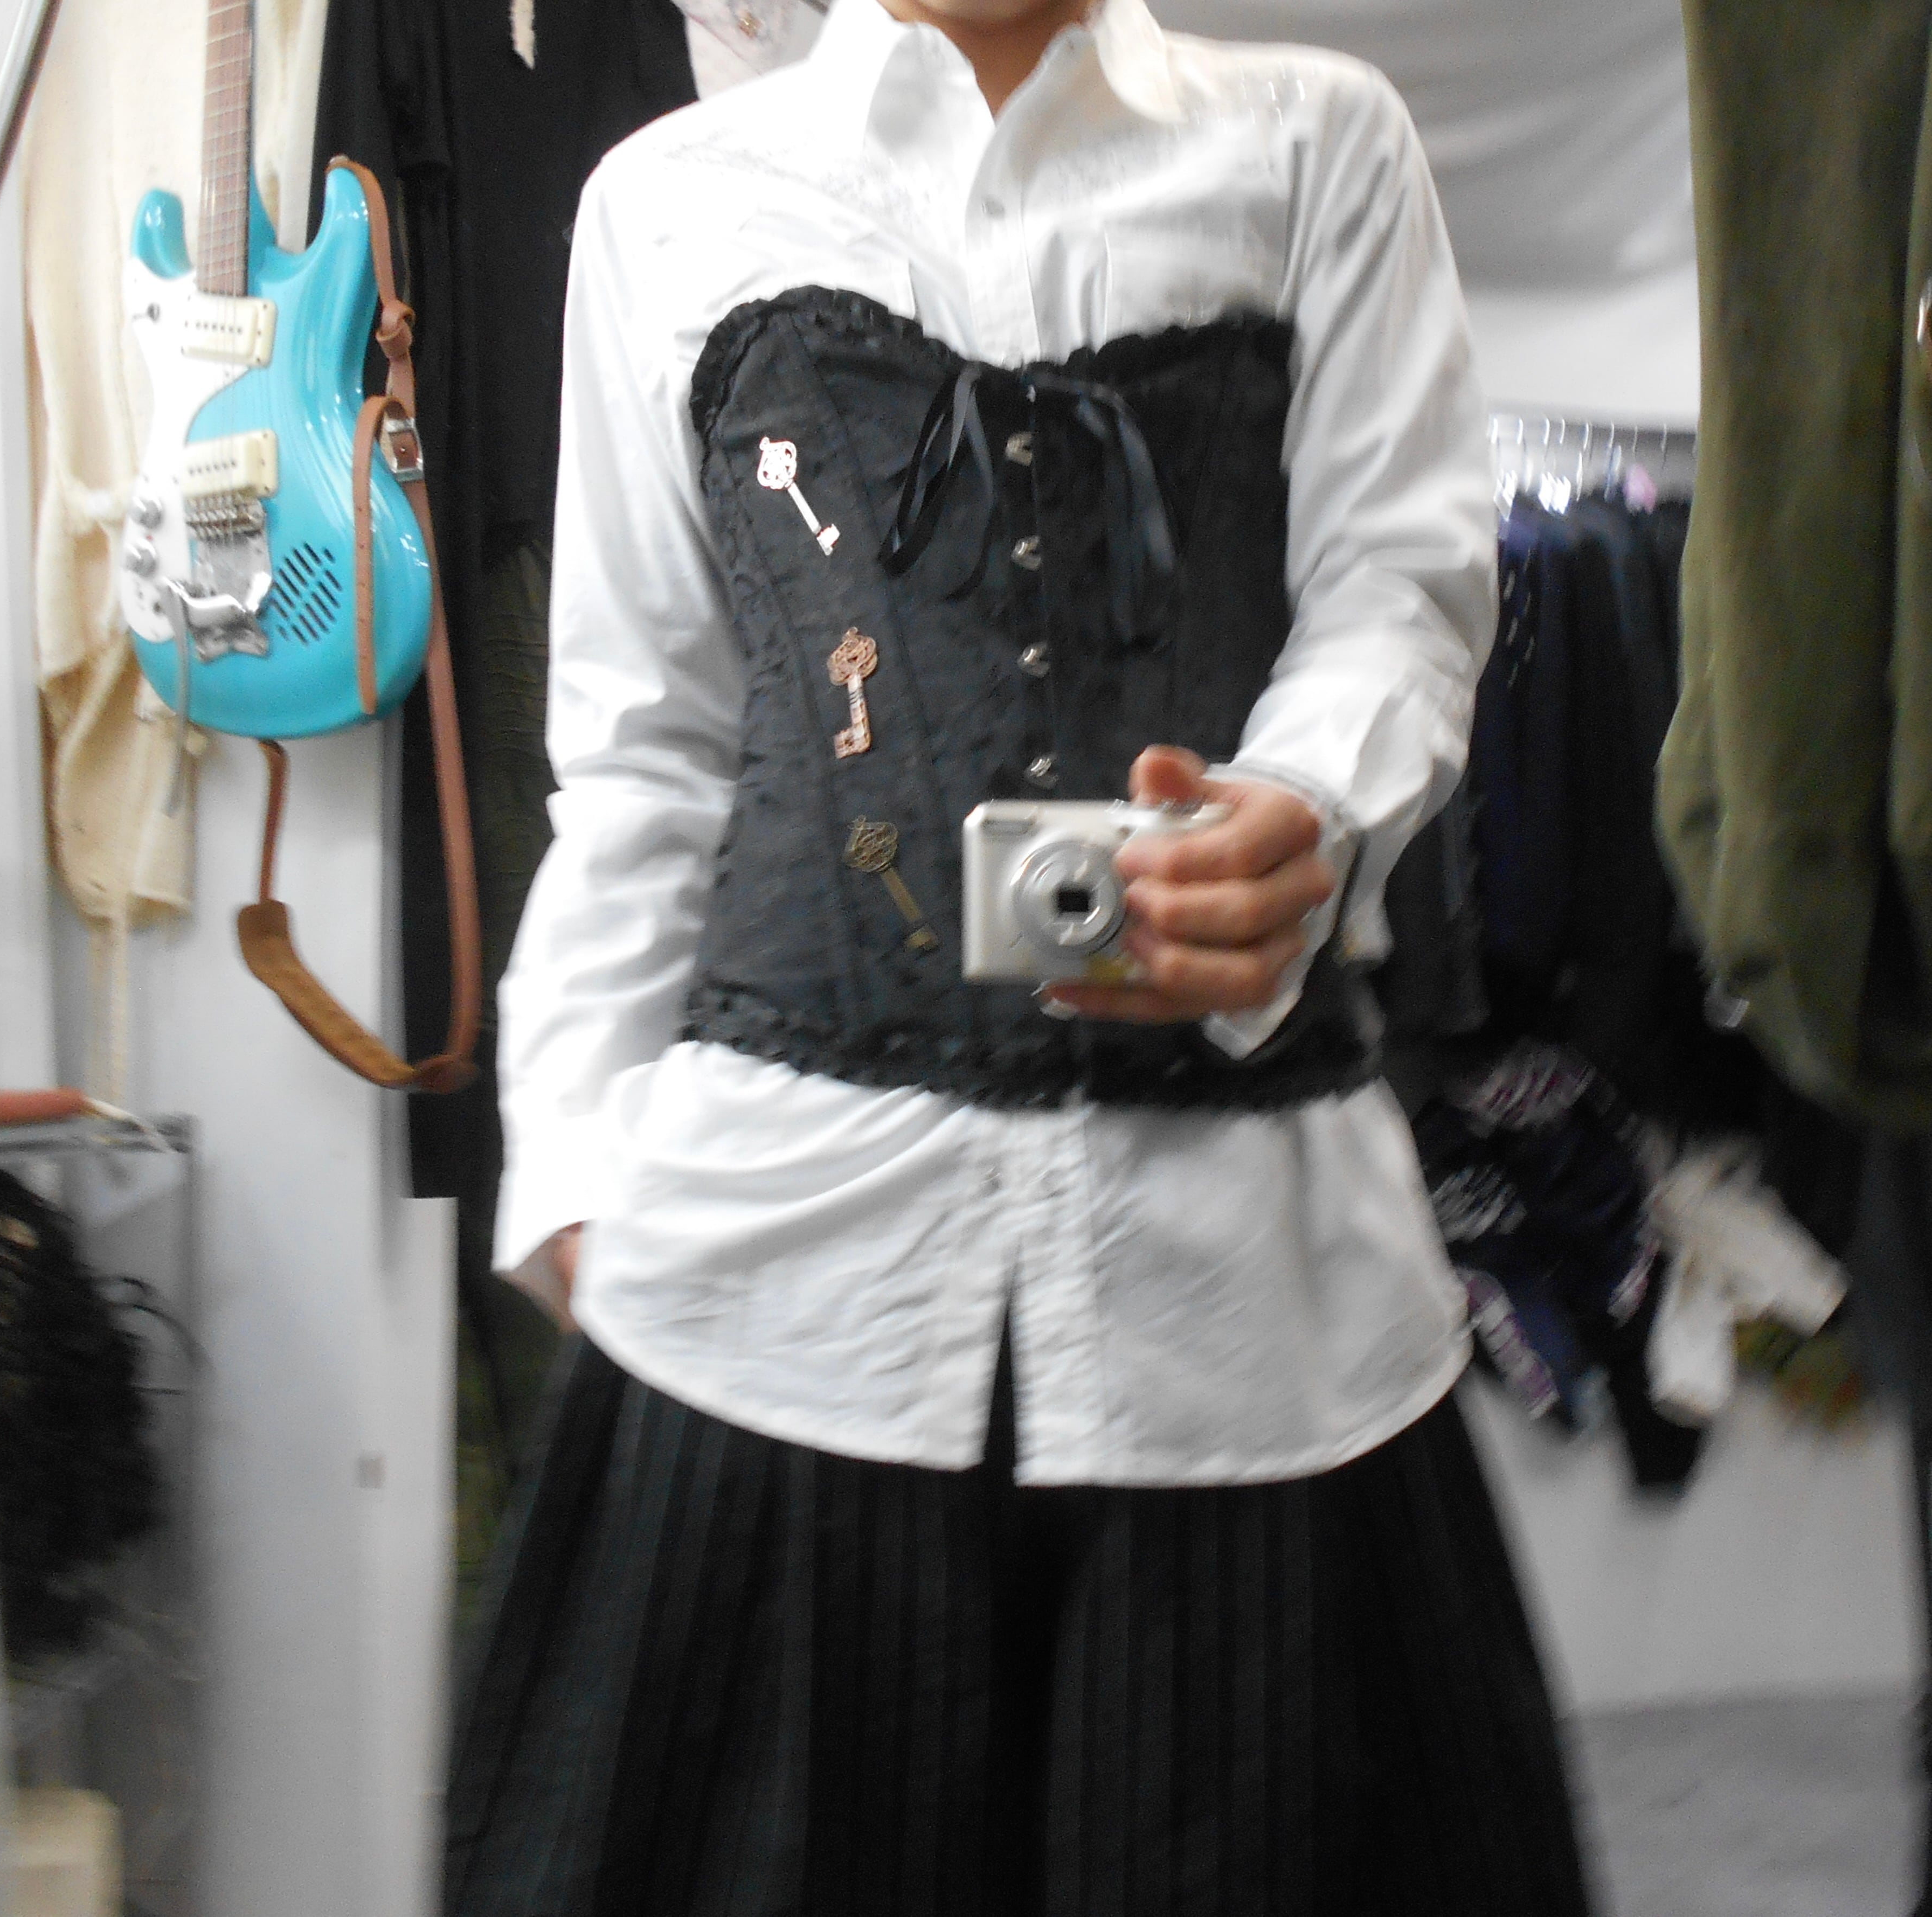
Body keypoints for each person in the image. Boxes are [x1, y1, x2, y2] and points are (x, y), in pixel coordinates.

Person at [446, 0, 1593, 1909]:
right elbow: (641, 747)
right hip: (767, 1288)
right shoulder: (664, 201)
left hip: (1247, 1301)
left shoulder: (1317, 141)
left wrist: (1302, 815)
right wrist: (571, 1160)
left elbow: (1400, 591)